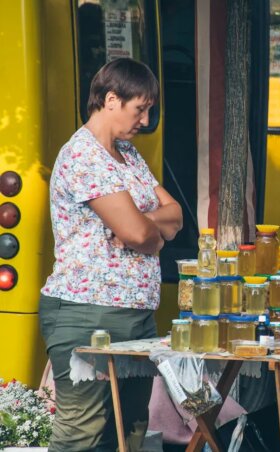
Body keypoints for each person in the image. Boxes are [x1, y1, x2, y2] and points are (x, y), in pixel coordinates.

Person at [39, 58, 183, 451]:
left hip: (135, 316)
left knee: (129, 430)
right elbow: (140, 233)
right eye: (141, 108)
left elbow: (174, 217)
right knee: (83, 432)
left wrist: (144, 229)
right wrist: (147, 234)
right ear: (111, 99)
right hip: (89, 312)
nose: (146, 119)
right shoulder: (84, 155)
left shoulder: (127, 155)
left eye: (150, 109)